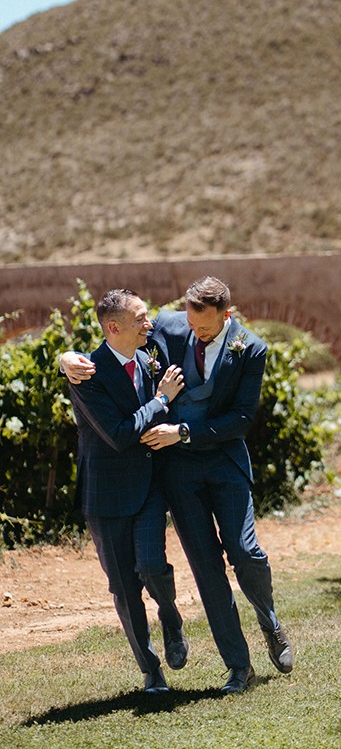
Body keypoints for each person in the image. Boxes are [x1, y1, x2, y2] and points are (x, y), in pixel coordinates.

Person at [63, 275, 294, 696]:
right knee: (207, 570)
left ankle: (270, 620)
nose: (195, 332)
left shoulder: (252, 348)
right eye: (190, 324)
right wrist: (66, 357)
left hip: (225, 464)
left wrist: (184, 431)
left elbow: (243, 419)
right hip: (178, 475)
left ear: (227, 315)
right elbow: (116, 335)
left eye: (204, 328)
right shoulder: (169, 325)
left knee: (244, 552)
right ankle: (238, 668)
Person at [67, 288, 188, 696]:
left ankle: (171, 618)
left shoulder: (151, 354)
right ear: (114, 327)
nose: (148, 324)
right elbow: (118, 435)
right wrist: (160, 400)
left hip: (149, 486)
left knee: (154, 567)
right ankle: (151, 671)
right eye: (139, 318)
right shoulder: (86, 373)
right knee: (124, 589)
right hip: (105, 496)